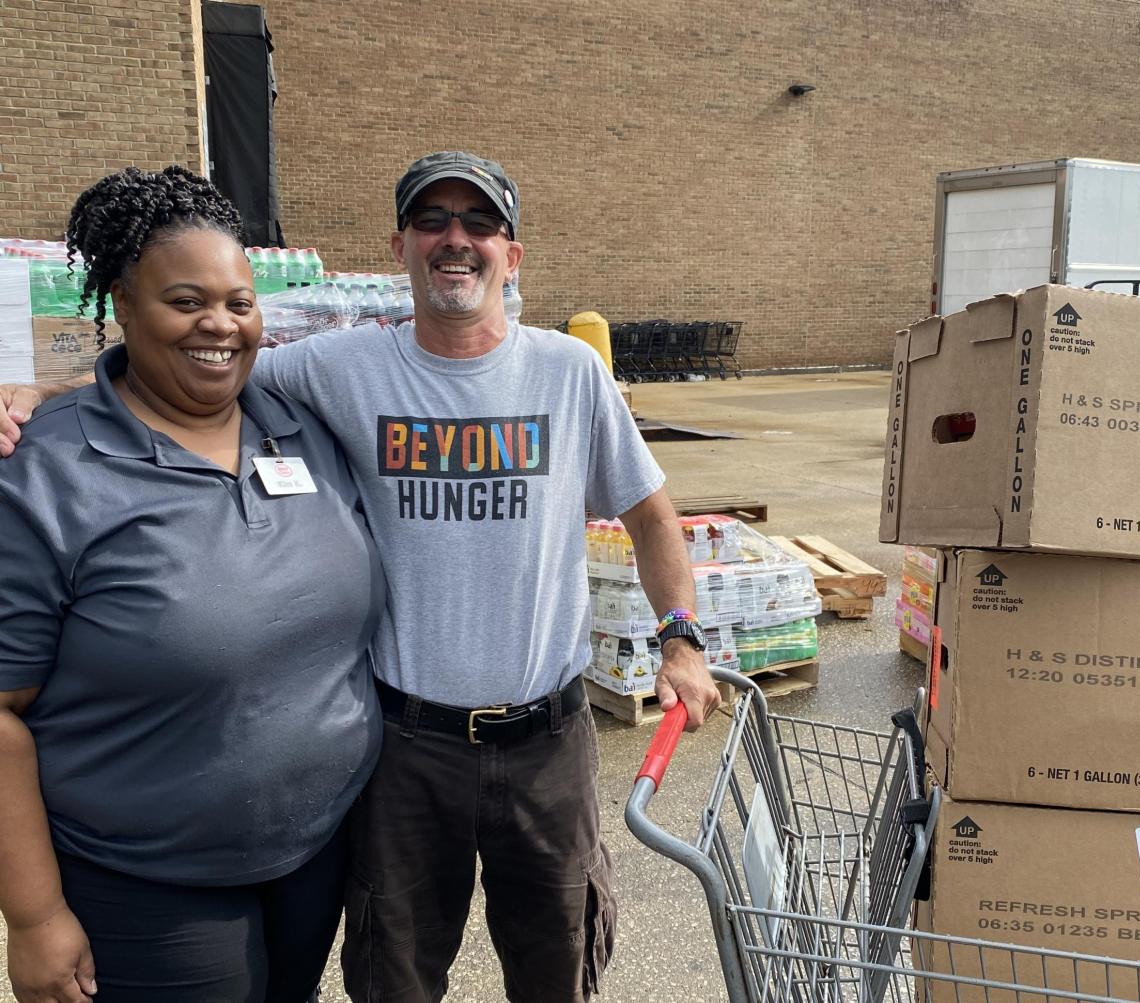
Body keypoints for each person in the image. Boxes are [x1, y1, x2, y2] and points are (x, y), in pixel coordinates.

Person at [1, 151, 721, 1003]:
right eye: (432, 222)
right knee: (395, 970)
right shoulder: (334, 369)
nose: (456, 241)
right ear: (401, 246)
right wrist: (33, 395)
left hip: (548, 743)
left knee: (556, 959)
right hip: (408, 748)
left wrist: (682, 638)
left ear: (512, 254)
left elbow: (649, 515)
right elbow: (175, 369)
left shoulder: (569, 372)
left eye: (480, 224)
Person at [0, 165, 386, 1003]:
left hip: (313, 855)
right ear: (123, 305)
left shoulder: (302, 427)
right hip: (145, 885)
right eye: (185, 301)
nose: (220, 323)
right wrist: (32, 917)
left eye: (239, 302)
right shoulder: (46, 473)